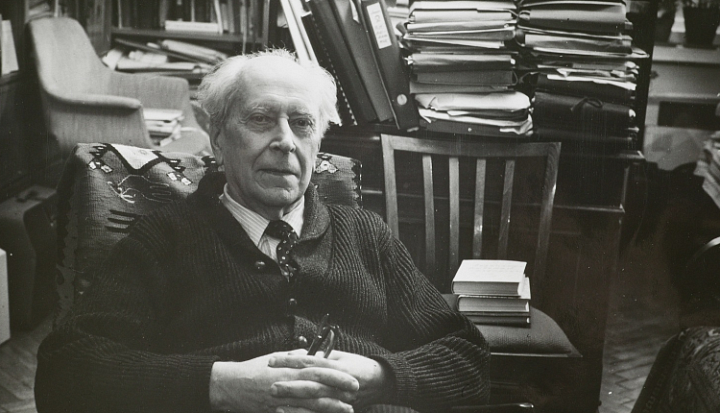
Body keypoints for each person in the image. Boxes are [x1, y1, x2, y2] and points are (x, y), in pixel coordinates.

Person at [34, 49, 490, 413]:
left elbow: (468, 355)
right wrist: (219, 385)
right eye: (260, 119)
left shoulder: (366, 235)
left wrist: (380, 378)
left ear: (318, 140)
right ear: (218, 138)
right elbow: (64, 371)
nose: (285, 141)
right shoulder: (165, 238)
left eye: (302, 123)